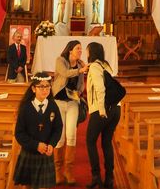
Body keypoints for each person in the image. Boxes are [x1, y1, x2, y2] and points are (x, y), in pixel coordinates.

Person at [13, 72, 63, 189]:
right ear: (33, 89)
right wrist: (35, 145)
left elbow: (58, 128)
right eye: (41, 86)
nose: (45, 89)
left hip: (46, 154)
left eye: (47, 86)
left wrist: (52, 144)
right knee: (29, 186)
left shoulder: (53, 106)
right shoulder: (26, 108)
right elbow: (19, 133)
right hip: (30, 153)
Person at [52, 40, 88, 185]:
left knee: (71, 135)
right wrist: (80, 70)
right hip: (59, 102)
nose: (80, 51)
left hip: (72, 103)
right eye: (77, 48)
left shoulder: (80, 65)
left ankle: (68, 171)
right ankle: (57, 171)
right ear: (70, 50)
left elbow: (81, 85)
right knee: (60, 137)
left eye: (81, 49)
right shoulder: (60, 60)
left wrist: (78, 93)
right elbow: (65, 73)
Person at [85, 41, 121, 189]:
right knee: (106, 142)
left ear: (91, 53)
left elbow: (100, 88)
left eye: (87, 51)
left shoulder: (94, 66)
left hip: (103, 109)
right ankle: (110, 178)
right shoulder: (106, 65)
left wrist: (101, 110)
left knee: (90, 141)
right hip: (116, 109)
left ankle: (96, 177)